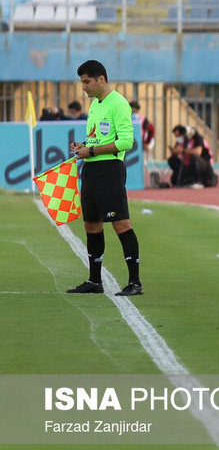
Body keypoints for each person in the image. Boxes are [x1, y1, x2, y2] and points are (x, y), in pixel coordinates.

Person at [67, 59, 143, 297]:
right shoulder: (96, 105)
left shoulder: (118, 103)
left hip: (109, 170)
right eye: (82, 82)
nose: (84, 87)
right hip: (90, 171)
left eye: (87, 82)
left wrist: (91, 151)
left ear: (101, 79)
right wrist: (84, 144)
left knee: (120, 223)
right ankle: (94, 280)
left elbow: (126, 142)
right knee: (91, 224)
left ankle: (135, 282)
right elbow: (97, 138)